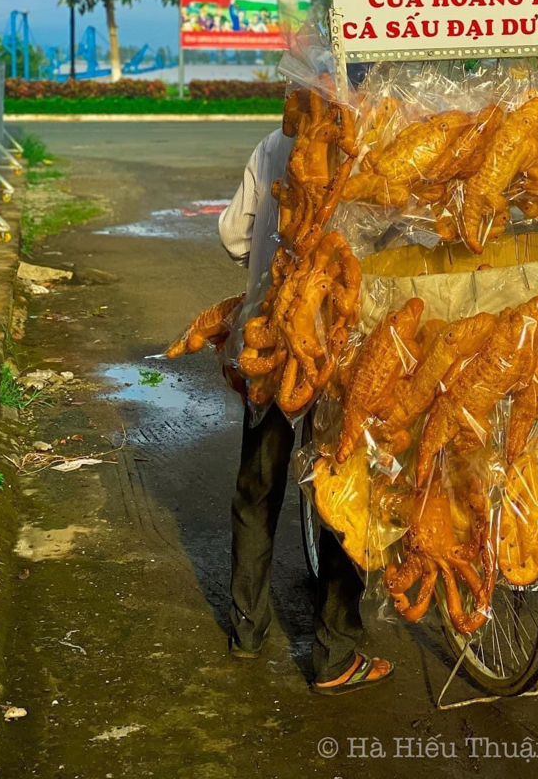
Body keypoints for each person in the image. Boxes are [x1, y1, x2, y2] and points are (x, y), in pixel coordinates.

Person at [218, 126, 393, 693]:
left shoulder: (272, 145)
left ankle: (247, 630)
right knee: (343, 492)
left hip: (269, 334)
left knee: (259, 485)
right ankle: (336, 653)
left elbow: (232, 235)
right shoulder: (374, 145)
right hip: (344, 345)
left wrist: (264, 266)